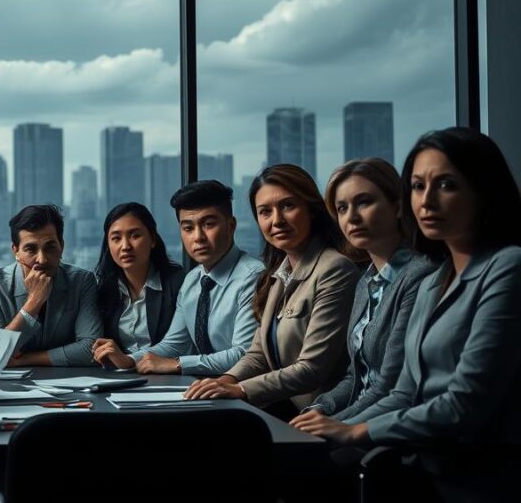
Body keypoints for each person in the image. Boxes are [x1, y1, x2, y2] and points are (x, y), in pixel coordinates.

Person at [289, 128, 521, 499]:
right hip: (423, 461)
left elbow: (466, 403)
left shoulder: (507, 266)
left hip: (480, 475)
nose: (427, 201)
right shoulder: (437, 277)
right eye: (417, 186)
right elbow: (404, 391)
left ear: (483, 189)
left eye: (446, 185)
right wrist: (328, 420)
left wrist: (353, 431)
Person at [185, 164, 359, 418]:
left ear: (311, 209)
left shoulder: (335, 269)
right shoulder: (278, 275)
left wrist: (240, 389)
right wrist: (224, 380)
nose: (276, 220)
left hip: (323, 416)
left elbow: (312, 369)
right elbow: (258, 355)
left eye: (288, 206)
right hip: (285, 409)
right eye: (265, 212)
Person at [290, 158, 436, 430]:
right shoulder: (366, 279)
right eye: (342, 208)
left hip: (385, 428)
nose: (351, 217)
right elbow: (356, 376)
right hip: (354, 420)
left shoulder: (418, 276)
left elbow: (389, 386)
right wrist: (320, 407)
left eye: (364, 202)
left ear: (397, 207)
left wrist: (336, 426)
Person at [94, 183, 262, 375]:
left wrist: (178, 364)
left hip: (246, 392)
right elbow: (174, 344)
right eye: (188, 228)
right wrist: (129, 360)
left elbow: (245, 355)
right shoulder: (192, 280)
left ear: (231, 226)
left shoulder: (253, 277)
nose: (198, 237)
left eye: (208, 224)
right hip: (204, 388)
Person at [0, 204, 102, 366]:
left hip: (68, 382)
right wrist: (33, 302)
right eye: (30, 249)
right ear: (16, 251)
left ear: (61, 246)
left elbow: (91, 348)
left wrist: (25, 360)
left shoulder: (83, 281)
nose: (42, 259)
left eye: (50, 248)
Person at [89, 202, 185, 368]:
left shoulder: (179, 283)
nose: (125, 246)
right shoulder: (104, 289)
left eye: (135, 236)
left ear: (153, 240)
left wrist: (129, 360)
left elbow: (180, 343)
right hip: (120, 379)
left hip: (168, 377)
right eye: (116, 238)